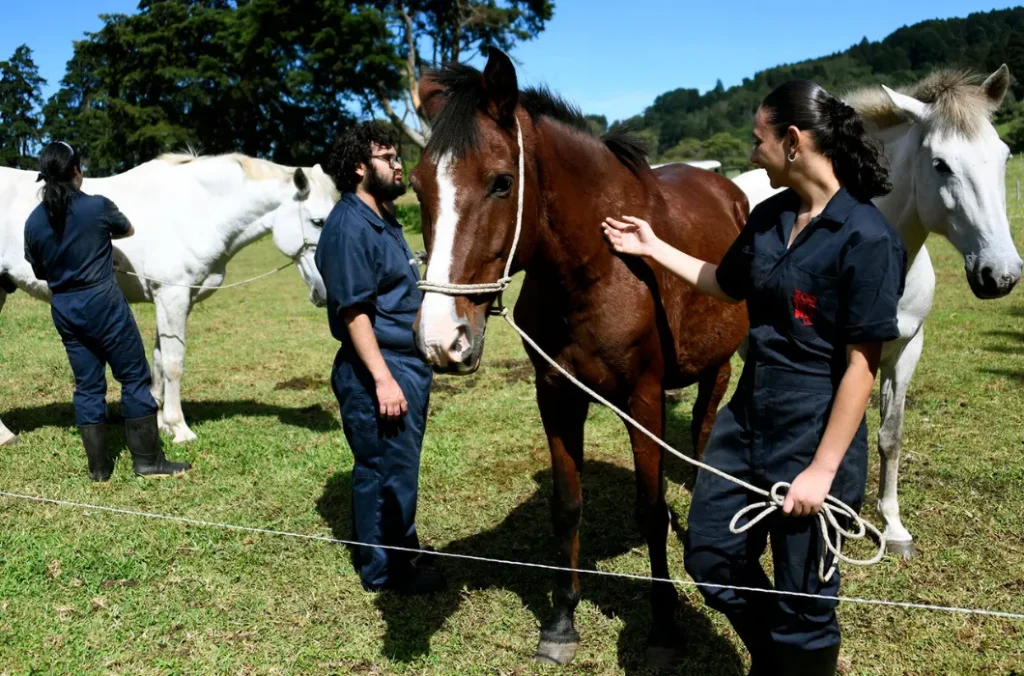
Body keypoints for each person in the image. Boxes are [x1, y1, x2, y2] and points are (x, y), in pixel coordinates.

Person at [602, 81, 906, 675]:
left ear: (792, 142)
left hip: (816, 423)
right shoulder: (769, 217)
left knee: (804, 594)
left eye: (757, 139)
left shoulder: (867, 238)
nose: (751, 153)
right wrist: (652, 245)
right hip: (747, 414)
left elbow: (861, 366)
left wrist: (820, 472)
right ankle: (779, 658)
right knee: (711, 552)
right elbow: (725, 281)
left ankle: (798, 656)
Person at [317, 122, 443, 595]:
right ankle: (383, 571)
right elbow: (354, 314)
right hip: (379, 367)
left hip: (404, 363)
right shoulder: (349, 226)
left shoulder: (384, 216)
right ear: (358, 168)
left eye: (396, 156)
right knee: (381, 470)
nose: (398, 166)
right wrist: (384, 380)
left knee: (399, 469)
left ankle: (399, 550)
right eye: (388, 158)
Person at [23, 141, 191, 481]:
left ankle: (99, 468)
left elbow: (40, 271)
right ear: (76, 171)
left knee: (87, 386)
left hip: (65, 308)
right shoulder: (97, 206)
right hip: (104, 304)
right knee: (133, 377)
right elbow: (127, 229)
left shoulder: (33, 222)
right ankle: (147, 460)